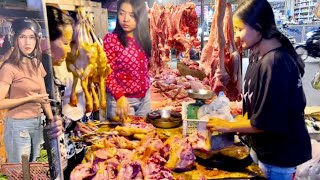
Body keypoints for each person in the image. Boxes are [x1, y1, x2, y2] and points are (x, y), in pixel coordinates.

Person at [206, 0, 311, 179]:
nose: (236, 35)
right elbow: (258, 105)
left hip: (279, 157)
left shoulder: (276, 63)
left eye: (239, 29)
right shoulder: (260, 58)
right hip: (265, 152)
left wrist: (227, 126)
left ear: (258, 27)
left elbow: (265, 122)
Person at [0, 17, 63, 163]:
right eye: (22, 37)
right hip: (18, 126)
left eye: (31, 37)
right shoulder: (8, 68)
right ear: (14, 39)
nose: (27, 42)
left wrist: (51, 118)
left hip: (37, 123)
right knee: (20, 172)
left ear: (37, 40)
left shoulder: (36, 63)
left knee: (35, 168)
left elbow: (43, 95)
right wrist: (30, 99)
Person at [44, 5, 96, 179]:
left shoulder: (53, 67)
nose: (69, 50)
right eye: (65, 43)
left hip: (66, 149)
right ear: (46, 41)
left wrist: (73, 124)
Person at [103, 0, 152, 120]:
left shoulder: (144, 39)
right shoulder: (111, 40)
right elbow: (106, 74)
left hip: (144, 98)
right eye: (121, 13)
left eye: (131, 15)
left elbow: (146, 68)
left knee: (144, 134)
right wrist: (119, 96)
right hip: (121, 100)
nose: (125, 19)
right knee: (123, 137)